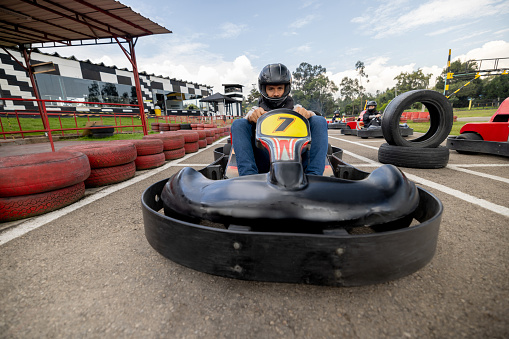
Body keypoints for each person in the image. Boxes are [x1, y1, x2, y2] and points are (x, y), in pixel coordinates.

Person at [231, 63, 328, 176]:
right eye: (271, 89)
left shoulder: (297, 110)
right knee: (239, 123)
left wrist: (308, 114)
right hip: (265, 159)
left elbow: (312, 116)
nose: (276, 93)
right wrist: (251, 117)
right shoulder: (256, 111)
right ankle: (248, 177)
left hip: (296, 158)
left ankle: (314, 176)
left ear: (286, 88)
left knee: (319, 121)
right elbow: (248, 116)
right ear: (264, 89)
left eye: (280, 88)